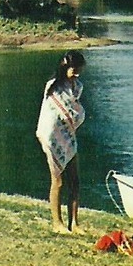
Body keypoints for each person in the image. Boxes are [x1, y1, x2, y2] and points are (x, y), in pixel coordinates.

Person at [35, 50, 88, 235]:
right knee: (57, 181)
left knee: (75, 180)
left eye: (79, 69)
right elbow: (53, 112)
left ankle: (74, 223)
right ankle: (57, 223)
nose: (77, 73)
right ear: (65, 67)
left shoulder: (77, 87)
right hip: (53, 135)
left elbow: (74, 110)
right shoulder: (53, 86)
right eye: (74, 69)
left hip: (68, 135)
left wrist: (75, 119)